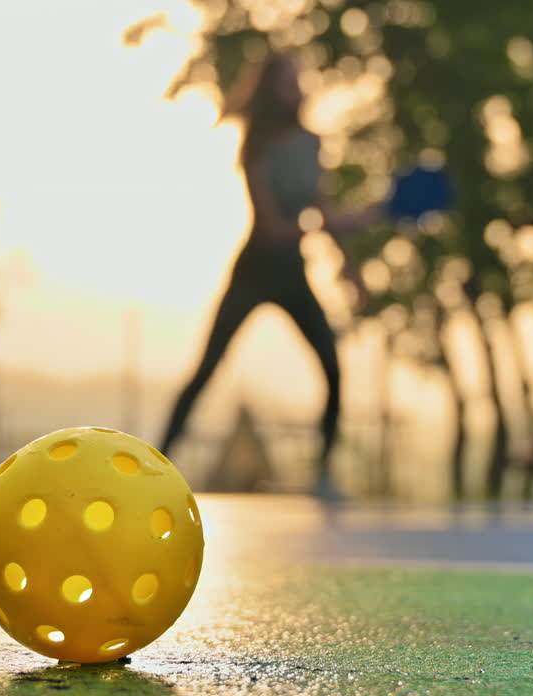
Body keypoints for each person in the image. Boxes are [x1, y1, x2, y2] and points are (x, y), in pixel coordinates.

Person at [159, 52, 381, 500]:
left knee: (333, 367)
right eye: (288, 79)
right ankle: (159, 463)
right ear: (271, 89)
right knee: (207, 368)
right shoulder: (254, 145)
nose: (297, 86)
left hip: (292, 273)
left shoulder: (311, 144)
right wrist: (333, 224)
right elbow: (273, 226)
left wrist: (352, 269)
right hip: (255, 269)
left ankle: (322, 475)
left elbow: (322, 210)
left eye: (300, 79)